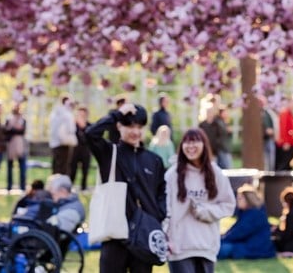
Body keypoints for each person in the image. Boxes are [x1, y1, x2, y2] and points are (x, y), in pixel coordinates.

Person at [86, 102, 166, 273]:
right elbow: (90, 134)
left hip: (144, 235)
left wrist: (157, 216)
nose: (135, 131)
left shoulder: (154, 160)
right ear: (119, 127)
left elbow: (162, 192)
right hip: (115, 235)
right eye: (129, 126)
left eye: (139, 126)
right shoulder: (109, 153)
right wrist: (116, 114)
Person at [0, 174, 85, 272]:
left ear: (62, 191)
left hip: (34, 237)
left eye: (53, 192)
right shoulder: (69, 205)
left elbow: (54, 227)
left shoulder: (72, 209)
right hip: (37, 235)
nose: (51, 196)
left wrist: (26, 216)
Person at [164, 128, 236, 273]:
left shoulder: (215, 173)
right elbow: (164, 210)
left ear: (204, 145)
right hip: (179, 246)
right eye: (186, 142)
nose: (191, 147)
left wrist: (204, 211)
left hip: (206, 246)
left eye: (195, 142)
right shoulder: (172, 174)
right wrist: (166, 238)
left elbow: (228, 205)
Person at [218, 185, 276, 260]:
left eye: (240, 198)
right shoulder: (246, 213)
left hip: (255, 248)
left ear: (248, 199)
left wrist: (221, 239)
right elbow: (234, 231)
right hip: (246, 245)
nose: (237, 201)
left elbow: (239, 233)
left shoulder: (255, 214)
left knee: (222, 248)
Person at [49, 96, 77, 175]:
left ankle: (54, 183)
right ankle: (61, 184)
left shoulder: (54, 113)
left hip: (54, 143)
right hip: (63, 143)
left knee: (56, 165)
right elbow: (71, 129)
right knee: (63, 166)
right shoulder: (67, 114)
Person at [5, 103, 28, 193]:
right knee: (10, 167)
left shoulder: (23, 120)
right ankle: (9, 186)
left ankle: (22, 187)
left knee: (22, 167)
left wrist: (15, 129)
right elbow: (7, 130)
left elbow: (22, 130)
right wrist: (15, 128)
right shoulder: (9, 119)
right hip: (11, 145)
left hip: (20, 145)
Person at [69, 106, 92, 191]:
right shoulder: (73, 125)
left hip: (86, 150)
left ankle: (84, 186)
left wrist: (84, 128)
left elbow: (89, 138)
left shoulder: (90, 125)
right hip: (75, 150)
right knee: (72, 169)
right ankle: (70, 186)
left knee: (85, 170)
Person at [275, 96, 293, 172]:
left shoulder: (292, 114)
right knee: (283, 165)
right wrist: (285, 141)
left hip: (292, 143)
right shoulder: (285, 113)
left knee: (289, 165)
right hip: (286, 144)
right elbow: (283, 128)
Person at [260, 98, 276, 172]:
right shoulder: (260, 112)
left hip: (269, 139)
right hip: (262, 139)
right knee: (265, 159)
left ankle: (270, 173)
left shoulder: (268, 113)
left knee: (270, 158)